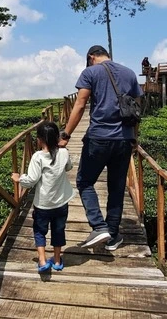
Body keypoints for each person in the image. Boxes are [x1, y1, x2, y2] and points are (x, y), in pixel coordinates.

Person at [58, 45, 143, 251]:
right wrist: (134, 137)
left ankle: (98, 226)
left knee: (85, 181)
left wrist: (66, 135)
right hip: (124, 139)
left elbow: (80, 104)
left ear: (91, 57)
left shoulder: (90, 72)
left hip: (99, 137)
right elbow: (137, 108)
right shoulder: (129, 73)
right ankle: (113, 236)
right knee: (116, 186)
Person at [11, 121, 73, 272]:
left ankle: (43, 260)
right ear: (57, 138)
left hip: (43, 204)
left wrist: (19, 179)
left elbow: (31, 180)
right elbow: (69, 167)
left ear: (39, 139)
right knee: (59, 230)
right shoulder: (64, 152)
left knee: (40, 230)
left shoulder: (37, 157)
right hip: (61, 202)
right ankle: (57, 261)